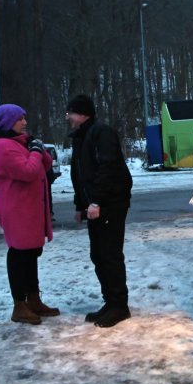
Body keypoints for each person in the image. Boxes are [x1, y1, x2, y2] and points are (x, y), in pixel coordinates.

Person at [66, 94, 133, 328]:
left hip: (111, 204)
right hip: (96, 205)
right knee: (98, 255)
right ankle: (110, 301)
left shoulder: (101, 133)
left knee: (110, 254)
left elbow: (109, 168)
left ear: (83, 114)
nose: (68, 117)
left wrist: (96, 201)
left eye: (71, 112)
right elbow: (80, 175)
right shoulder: (81, 137)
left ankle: (119, 305)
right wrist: (80, 204)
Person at [0, 103, 60, 325]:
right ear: (8, 122)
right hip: (17, 209)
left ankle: (34, 299)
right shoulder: (3, 146)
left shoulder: (20, 143)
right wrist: (35, 152)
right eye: (20, 118)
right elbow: (28, 172)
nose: (25, 122)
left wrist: (37, 148)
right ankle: (19, 305)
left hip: (30, 209)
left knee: (31, 254)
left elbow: (45, 164)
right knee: (19, 255)